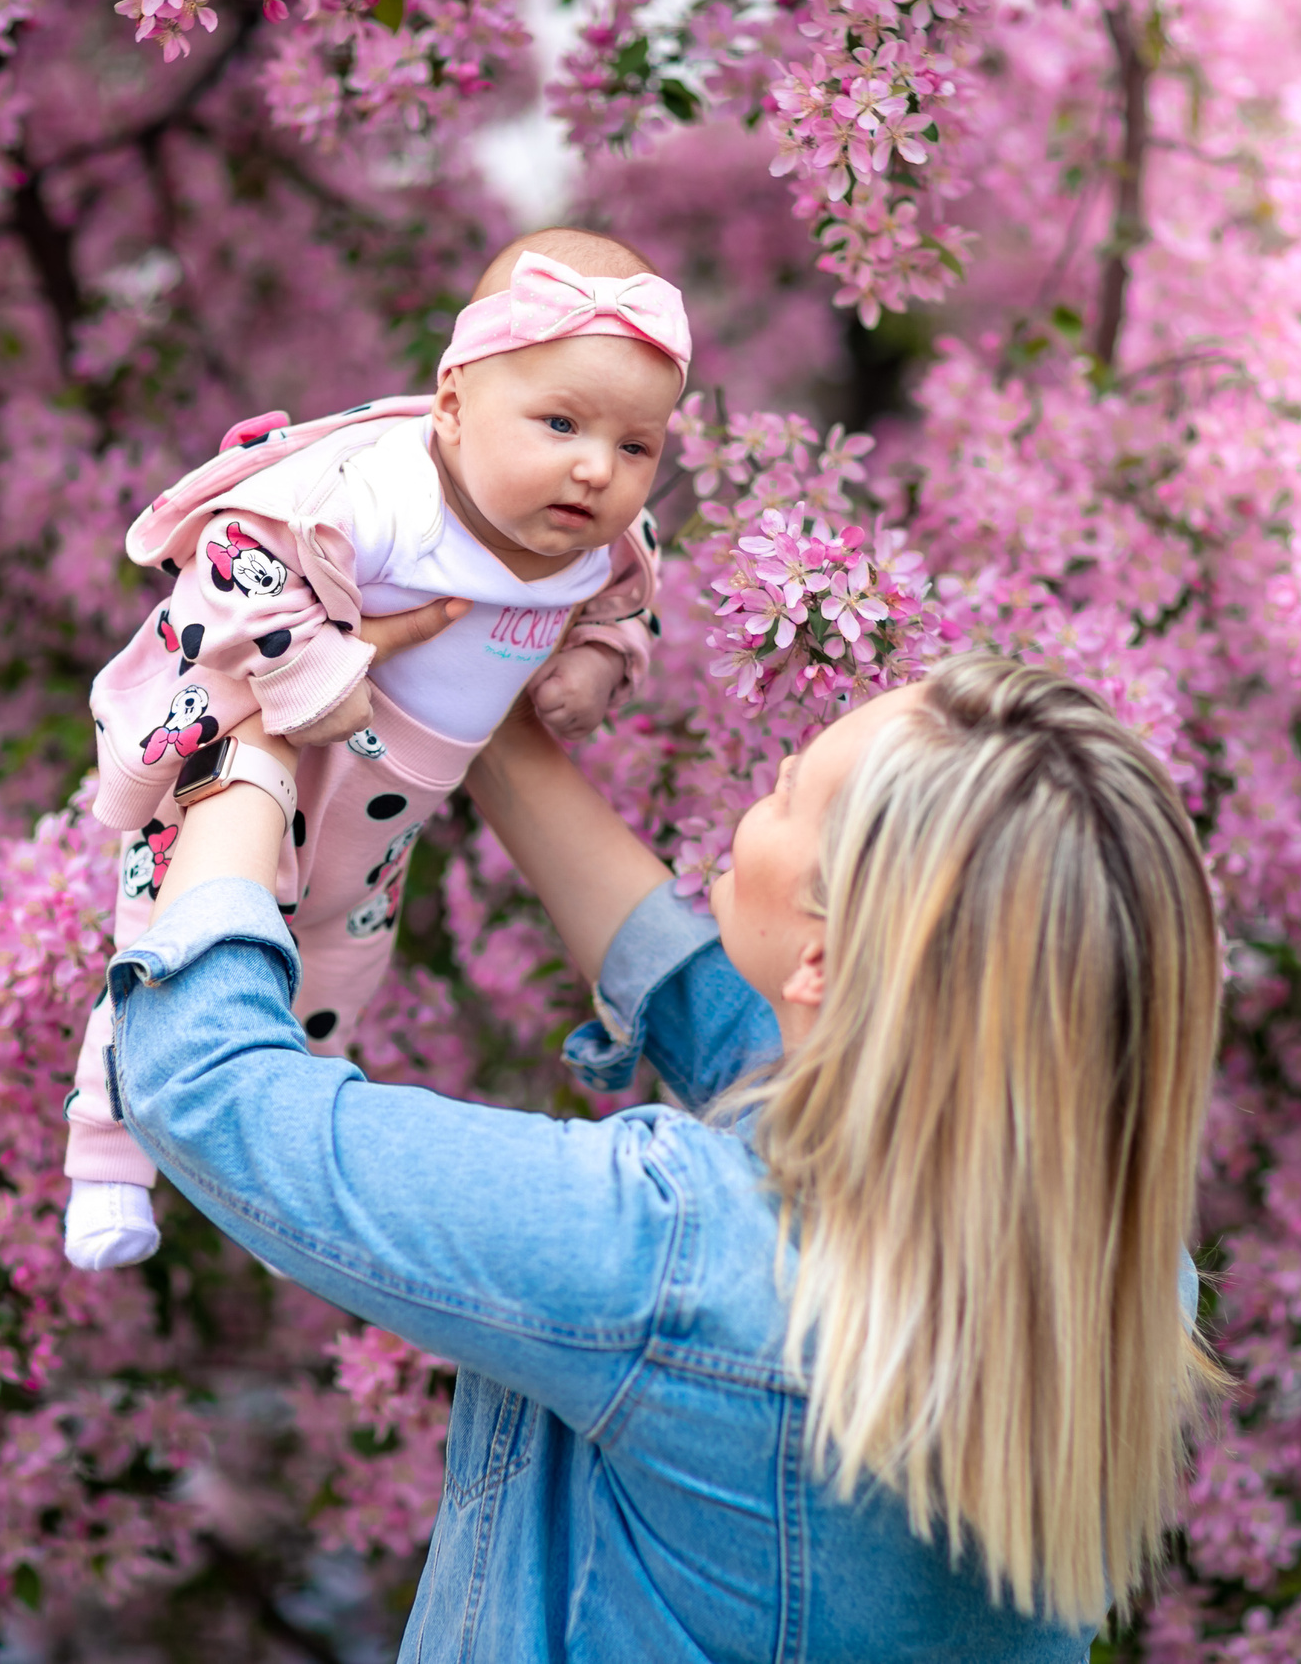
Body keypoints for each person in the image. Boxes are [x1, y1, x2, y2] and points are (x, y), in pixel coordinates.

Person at [103, 647, 1227, 1660]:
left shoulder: (679, 1258)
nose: (766, 778)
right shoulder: (1112, 1270)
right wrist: (475, 690)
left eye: (788, 789)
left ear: (825, 962)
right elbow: (726, 1016)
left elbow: (208, 1085)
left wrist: (248, 731)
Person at [62, 227, 689, 1270]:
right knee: (179, 937)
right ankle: (107, 1151)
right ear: (452, 404)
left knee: (335, 975)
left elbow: (628, 604)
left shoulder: (602, 547)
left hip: (389, 814)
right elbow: (231, 562)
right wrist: (315, 670)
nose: (595, 468)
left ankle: (277, 1170)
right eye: (560, 423)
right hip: (259, 757)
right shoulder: (389, 496)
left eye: (637, 447)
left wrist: (594, 664)